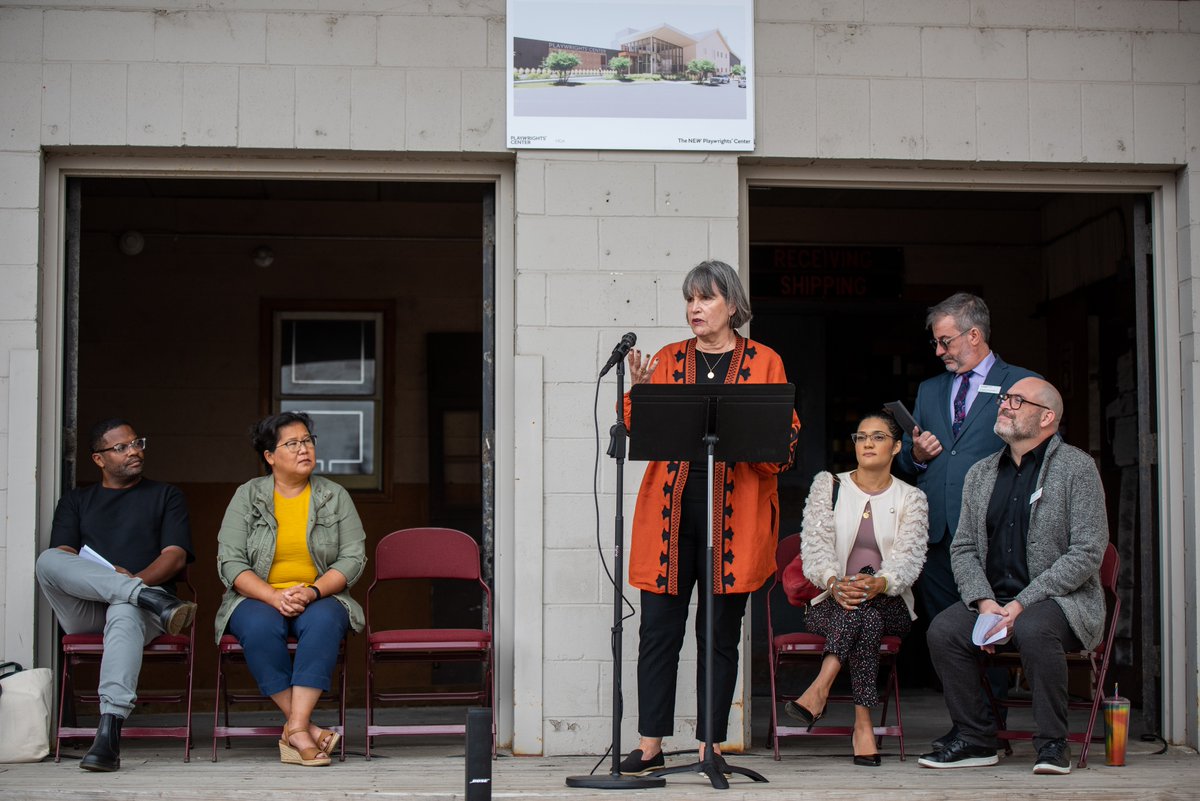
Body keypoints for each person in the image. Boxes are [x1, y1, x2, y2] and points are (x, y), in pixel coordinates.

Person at [618, 259, 801, 776]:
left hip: (734, 517)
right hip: (671, 515)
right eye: (690, 299)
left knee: (720, 635)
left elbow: (782, 443)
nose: (694, 308)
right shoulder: (669, 358)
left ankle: (710, 745)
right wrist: (639, 394)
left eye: (706, 298)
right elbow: (642, 436)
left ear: (733, 306)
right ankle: (650, 742)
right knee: (658, 632)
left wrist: (758, 438)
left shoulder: (766, 361)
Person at [918, 378, 1108, 775]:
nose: (1005, 405)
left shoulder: (1077, 467)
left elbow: (1088, 551)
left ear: (1047, 417)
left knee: (1034, 628)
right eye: (1005, 399)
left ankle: (1053, 743)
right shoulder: (981, 473)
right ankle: (975, 738)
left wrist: (1021, 604)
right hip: (994, 598)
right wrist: (985, 603)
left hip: (1061, 602)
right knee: (944, 630)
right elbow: (964, 547)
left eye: (1017, 401)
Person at [895, 292, 1038, 748]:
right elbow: (908, 459)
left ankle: (988, 727)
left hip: (993, 535)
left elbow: (1040, 455)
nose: (939, 352)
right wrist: (913, 455)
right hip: (937, 533)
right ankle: (970, 724)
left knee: (990, 630)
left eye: (945, 341)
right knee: (947, 635)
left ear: (973, 335)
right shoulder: (931, 390)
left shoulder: (1022, 384)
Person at [35, 418, 197, 772]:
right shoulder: (77, 501)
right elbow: (63, 556)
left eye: (136, 442)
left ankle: (108, 734)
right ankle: (143, 595)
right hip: (93, 606)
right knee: (48, 560)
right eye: (121, 447)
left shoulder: (165, 495)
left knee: (124, 610)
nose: (134, 451)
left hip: (142, 615)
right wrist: (128, 586)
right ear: (98, 459)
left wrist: (133, 583)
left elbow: (175, 556)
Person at [215, 411, 367, 767]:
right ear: (269, 456)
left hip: (320, 594)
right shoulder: (247, 496)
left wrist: (313, 592)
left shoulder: (334, 495)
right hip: (257, 596)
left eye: (308, 441)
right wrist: (272, 596)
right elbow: (230, 562)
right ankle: (306, 730)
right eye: (293, 443)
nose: (304, 449)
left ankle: (295, 728)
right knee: (258, 626)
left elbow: (352, 558)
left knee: (327, 620)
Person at [783, 411, 929, 766]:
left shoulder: (912, 498)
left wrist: (879, 582)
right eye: (861, 436)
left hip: (890, 600)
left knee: (868, 608)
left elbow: (910, 559)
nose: (867, 443)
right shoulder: (828, 486)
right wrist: (834, 583)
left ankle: (820, 687)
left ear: (896, 447)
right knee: (866, 620)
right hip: (830, 600)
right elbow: (814, 547)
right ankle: (862, 724)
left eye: (878, 437)